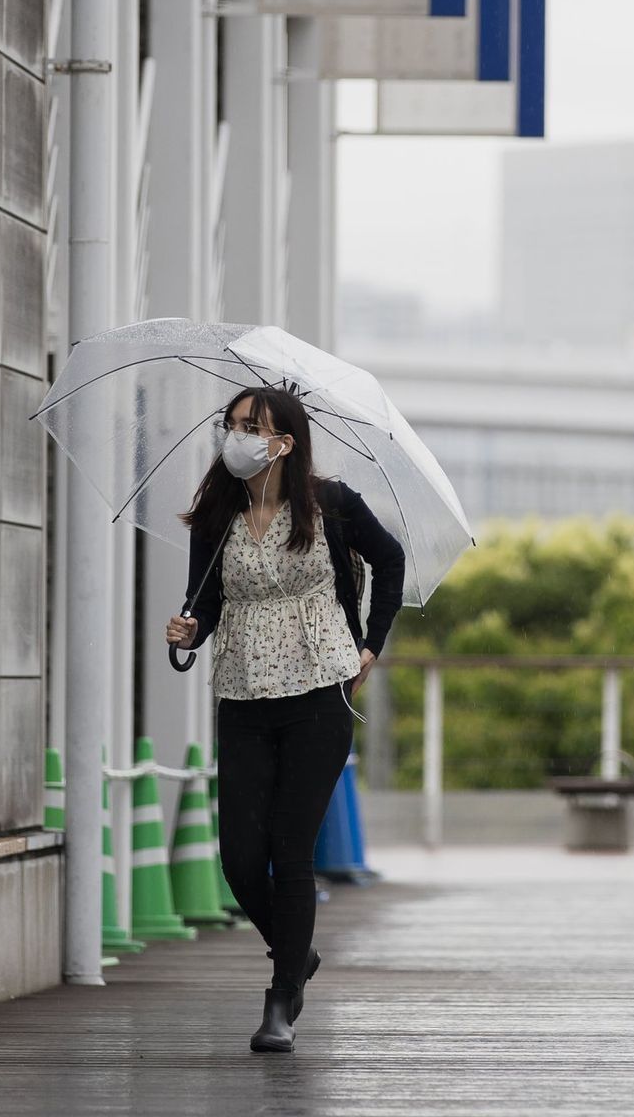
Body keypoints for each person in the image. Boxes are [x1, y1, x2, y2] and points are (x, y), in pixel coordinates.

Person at [164, 384, 404, 1054]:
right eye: (232, 424)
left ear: (285, 442)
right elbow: (205, 601)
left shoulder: (332, 505)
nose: (236, 436)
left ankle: (281, 999)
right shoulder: (219, 513)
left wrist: (371, 644)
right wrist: (189, 628)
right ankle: (297, 952)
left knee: (290, 851)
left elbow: (390, 562)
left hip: (318, 694)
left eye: (251, 426)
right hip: (242, 694)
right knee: (240, 858)